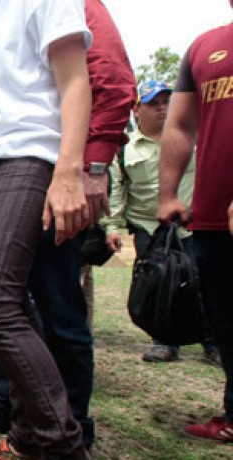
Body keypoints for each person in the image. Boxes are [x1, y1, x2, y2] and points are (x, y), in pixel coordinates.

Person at [0, 2, 136, 454]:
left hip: (27, 158)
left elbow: (77, 82)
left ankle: (63, 442)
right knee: (16, 307)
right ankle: (27, 435)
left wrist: (74, 171)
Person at [156, 5, 233, 442]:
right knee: (225, 321)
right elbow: (181, 125)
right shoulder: (204, 47)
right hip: (211, 218)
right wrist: (168, 192)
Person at [104, 81, 218, 364]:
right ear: (137, 109)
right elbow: (117, 190)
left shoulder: (194, 139)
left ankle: (212, 343)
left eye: (167, 102)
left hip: (193, 225)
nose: (162, 109)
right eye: (154, 104)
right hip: (149, 228)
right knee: (159, 286)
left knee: (206, 284)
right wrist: (112, 226)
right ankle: (164, 341)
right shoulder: (123, 149)